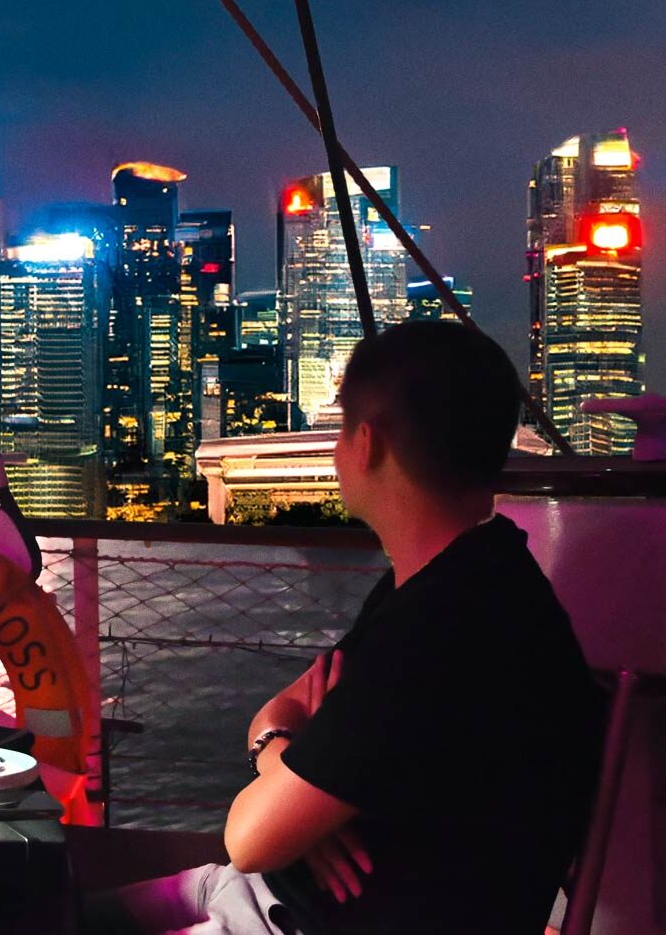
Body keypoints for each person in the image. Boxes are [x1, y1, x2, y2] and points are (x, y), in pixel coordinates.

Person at [88, 322, 603, 934]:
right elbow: (281, 712)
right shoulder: (463, 578)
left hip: (305, 921)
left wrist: (293, 798)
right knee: (58, 914)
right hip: (260, 891)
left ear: (367, 442)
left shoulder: (444, 630)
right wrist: (293, 778)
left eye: (338, 431)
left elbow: (249, 837)